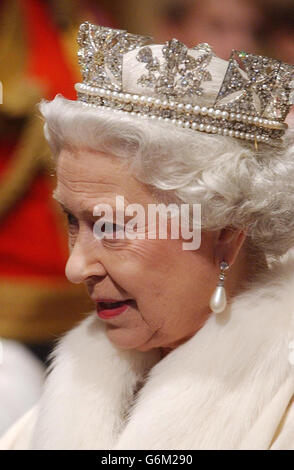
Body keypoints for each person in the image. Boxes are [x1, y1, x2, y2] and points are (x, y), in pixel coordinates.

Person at [1, 21, 294, 450]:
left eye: (111, 228)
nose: (74, 267)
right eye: (71, 220)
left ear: (226, 234)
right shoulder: (61, 400)